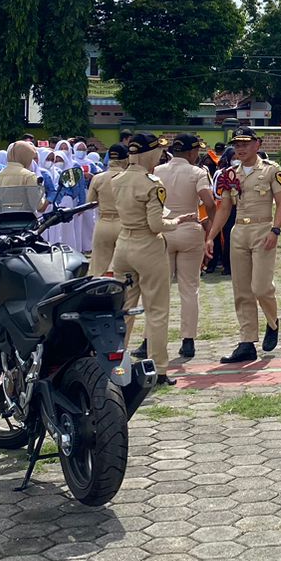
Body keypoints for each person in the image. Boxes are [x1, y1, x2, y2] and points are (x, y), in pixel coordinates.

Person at [113, 134, 195, 385]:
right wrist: (178, 221)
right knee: (157, 310)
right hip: (147, 245)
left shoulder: (118, 180)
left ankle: (115, 365)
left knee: (122, 310)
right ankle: (159, 368)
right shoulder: (152, 183)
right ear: (150, 154)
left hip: (123, 244)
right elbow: (155, 224)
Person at [208, 129, 281, 364]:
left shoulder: (272, 170)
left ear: (257, 144)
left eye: (245, 144)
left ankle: (272, 322)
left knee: (261, 287)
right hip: (239, 232)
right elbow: (224, 208)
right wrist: (210, 236)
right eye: (237, 144)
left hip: (263, 230)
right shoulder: (230, 174)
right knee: (241, 290)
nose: (240, 148)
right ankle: (246, 342)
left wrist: (276, 229)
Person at [154, 133, 216, 362]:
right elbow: (208, 202)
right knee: (189, 289)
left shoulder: (157, 171)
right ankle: (188, 340)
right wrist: (210, 231)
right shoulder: (198, 172)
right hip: (190, 228)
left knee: (160, 289)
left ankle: (151, 338)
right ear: (191, 152)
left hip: (164, 229)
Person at [86, 144, 129, 275]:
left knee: (98, 267)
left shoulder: (98, 178)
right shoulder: (129, 177)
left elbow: (90, 202)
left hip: (103, 224)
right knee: (122, 269)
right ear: (126, 159)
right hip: (124, 224)